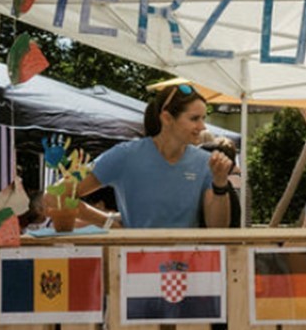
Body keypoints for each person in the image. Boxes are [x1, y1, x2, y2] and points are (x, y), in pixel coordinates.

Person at [72, 83, 233, 229]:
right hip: (133, 258)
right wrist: (108, 222)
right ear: (167, 118)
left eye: (203, 118)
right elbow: (54, 195)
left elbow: (217, 227)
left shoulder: (205, 161)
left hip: (186, 260)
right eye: (194, 118)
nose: (202, 126)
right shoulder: (125, 155)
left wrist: (220, 183)